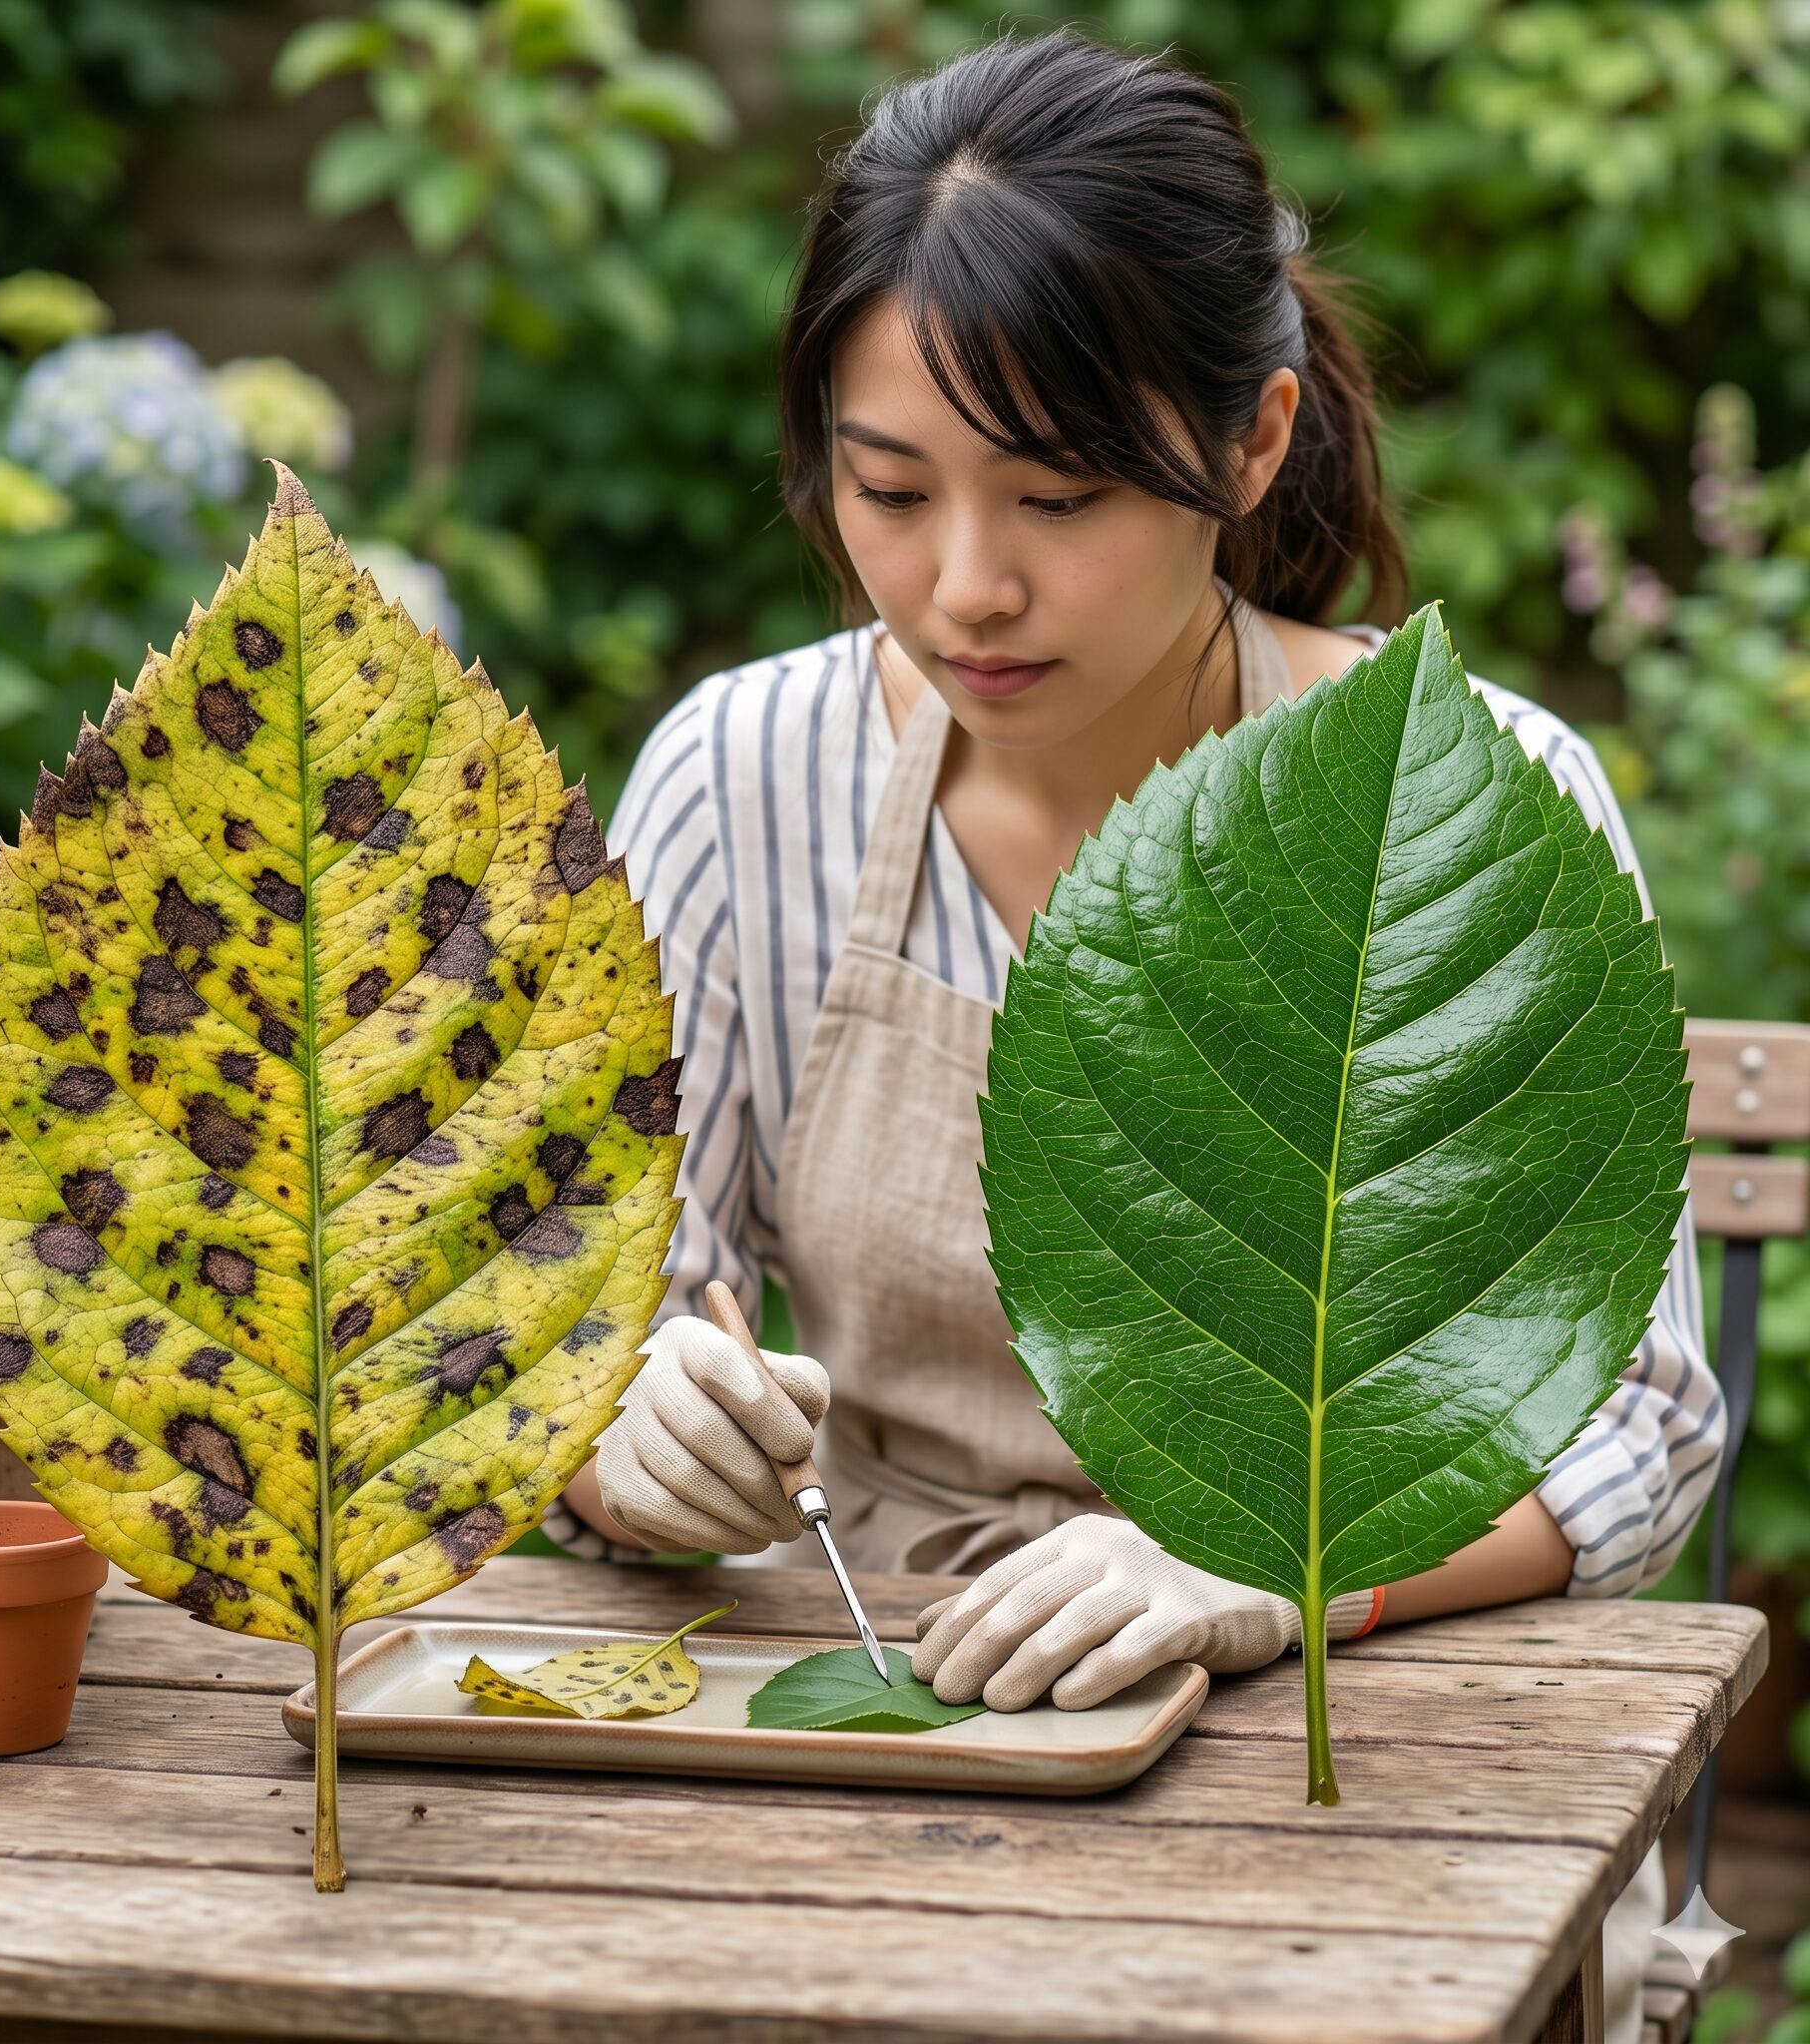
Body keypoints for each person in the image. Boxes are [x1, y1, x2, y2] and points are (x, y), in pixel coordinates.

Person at [545, 30, 1723, 2038]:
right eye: (888, 489)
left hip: (1351, 1762)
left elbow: (1634, 1418)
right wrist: (619, 1424)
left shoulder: (1452, 794)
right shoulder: (744, 774)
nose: (963, 587)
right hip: (851, 1716)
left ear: (1253, 442)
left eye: (1060, 494)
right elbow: (586, 1300)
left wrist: (1274, 1559)